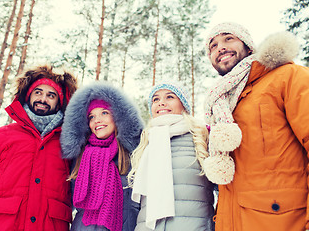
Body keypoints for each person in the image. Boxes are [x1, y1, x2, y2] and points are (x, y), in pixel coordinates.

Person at [203, 22, 309, 231]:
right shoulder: (222, 105)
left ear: (249, 46)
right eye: (213, 46)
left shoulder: (289, 77)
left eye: (228, 38)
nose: (220, 47)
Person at [0, 64, 78, 231]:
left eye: (51, 95)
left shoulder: (70, 143)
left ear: (60, 102)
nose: (43, 99)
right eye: (38, 92)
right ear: (28, 95)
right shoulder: (0, 137)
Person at [128, 82, 215, 231]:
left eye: (170, 96)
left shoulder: (201, 137)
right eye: (156, 99)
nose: (161, 102)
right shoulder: (146, 143)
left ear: (183, 105)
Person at [60, 82, 144, 231]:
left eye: (104, 113)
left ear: (118, 117)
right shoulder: (80, 157)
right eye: (92, 117)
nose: (97, 120)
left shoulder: (135, 155)